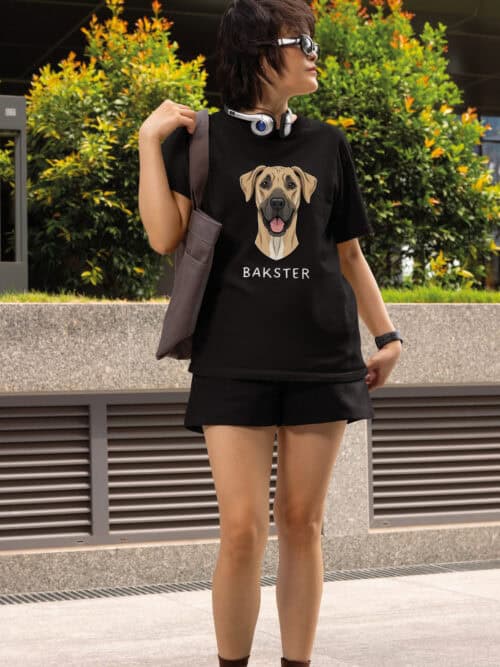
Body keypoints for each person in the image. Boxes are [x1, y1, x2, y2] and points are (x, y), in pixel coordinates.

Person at [138, 1, 403, 665]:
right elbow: (165, 236)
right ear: (260, 52)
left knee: (303, 525)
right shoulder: (202, 140)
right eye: (300, 41)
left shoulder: (327, 143)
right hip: (232, 358)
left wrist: (387, 335)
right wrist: (148, 142)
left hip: (323, 357)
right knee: (241, 530)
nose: (314, 53)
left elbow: (348, 253)